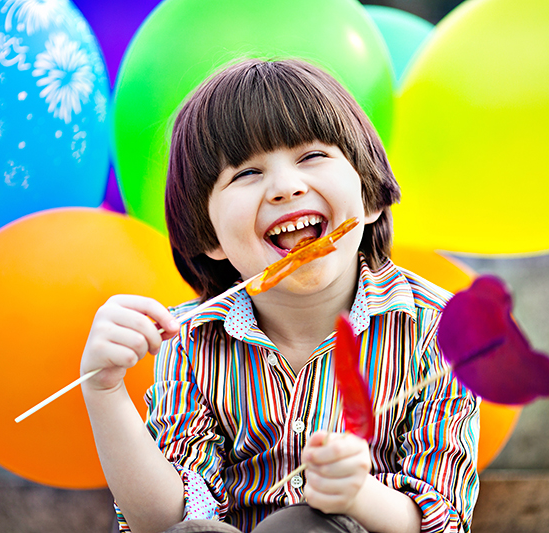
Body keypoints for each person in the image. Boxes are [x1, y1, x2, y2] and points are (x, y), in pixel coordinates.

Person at [80, 58, 479, 533]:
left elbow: (443, 518)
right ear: (209, 236)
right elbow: (166, 521)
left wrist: (358, 493)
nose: (286, 188)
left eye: (312, 156)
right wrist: (104, 392)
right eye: (246, 173)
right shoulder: (189, 341)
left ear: (369, 195)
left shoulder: (437, 330)